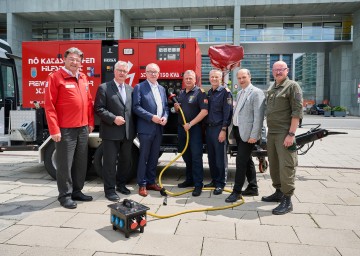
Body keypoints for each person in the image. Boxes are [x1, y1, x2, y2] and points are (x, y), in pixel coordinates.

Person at [44, 47, 94, 209]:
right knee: (65, 164)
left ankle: (77, 191)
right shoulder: (56, 77)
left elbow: (89, 102)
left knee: (81, 162)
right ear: (64, 60)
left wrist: (90, 122)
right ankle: (64, 195)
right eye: (71, 59)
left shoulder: (83, 77)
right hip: (66, 129)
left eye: (78, 60)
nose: (75, 62)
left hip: (83, 128)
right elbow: (49, 105)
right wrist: (54, 129)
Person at [262, 60, 303, 215]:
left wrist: (291, 134)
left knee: (286, 166)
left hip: (284, 133)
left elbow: (297, 112)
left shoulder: (292, 86)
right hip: (272, 132)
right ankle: (278, 192)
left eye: (281, 69)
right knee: (274, 165)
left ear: (287, 70)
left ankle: (287, 199)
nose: (278, 72)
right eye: (275, 70)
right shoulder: (273, 87)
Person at [94, 61, 136, 201]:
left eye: (125, 71)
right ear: (114, 71)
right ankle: (109, 190)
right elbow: (99, 109)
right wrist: (113, 118)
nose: (122, 73)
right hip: (111, 132)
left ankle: (121, 184)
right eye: (120, 70)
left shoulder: (131, 89)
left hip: (127, 133)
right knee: (110, 163)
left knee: (125, 161)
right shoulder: (104, 88)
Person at [225, 69, 265, 203]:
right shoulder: (240, 92)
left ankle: (236, 192)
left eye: (244, 77)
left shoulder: (256, 93)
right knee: (247, 160)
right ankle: (253, 187)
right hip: (238, 131)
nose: (241, 80)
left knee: (240, 161)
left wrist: (254, 135)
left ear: (250, 77)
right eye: (239, 78)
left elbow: (259, 117)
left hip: (249, 134)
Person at [132, 63, 169, 197]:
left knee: (154, 157)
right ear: (145, 73)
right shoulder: (139, 87)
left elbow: (165, 107)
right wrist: (151, 117)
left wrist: (165, 117)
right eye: (150, 72)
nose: (153, 74)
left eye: (155, 72)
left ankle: (151, 182)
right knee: (144, 156)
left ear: (159, 73)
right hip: (146, 128)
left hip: (159, 128)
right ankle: (142, 184)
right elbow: (136, 107)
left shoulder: (161, 89)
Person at [175, 70, 208, 197]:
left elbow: (204, 111)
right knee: (185, 155)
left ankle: (198, 185)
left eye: (191, 78)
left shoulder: (200, 93)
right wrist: (177, 109)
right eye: (186, 78)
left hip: (194, 130)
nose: (188, 80)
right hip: (182, 129)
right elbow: (180, 111)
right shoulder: (182, 93)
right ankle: (189, 180)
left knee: (195, 157)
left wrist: (191, 124)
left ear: (195, 80)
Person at [204, 69, 233, 195]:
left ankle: (221, 183)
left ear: (221, 78)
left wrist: (223, 130)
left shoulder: (226, 93)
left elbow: (228, 113)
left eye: (217, 77)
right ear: (209, 78)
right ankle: (214, 180)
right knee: (211, 157)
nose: (214, 79)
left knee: (220, 158)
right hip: (209, 129)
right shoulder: (209, 93)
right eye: (212, 77)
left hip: (219, 129)